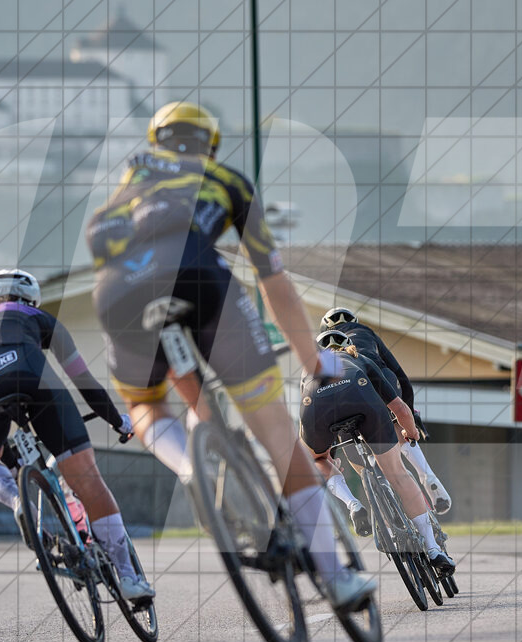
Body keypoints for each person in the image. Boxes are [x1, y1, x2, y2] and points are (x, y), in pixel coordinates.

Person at [84, 101, 376, 610]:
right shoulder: (225, 179)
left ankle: (188, 466)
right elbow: (274, 284)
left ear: (157, 141)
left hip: (114, 295)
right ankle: (335, 578)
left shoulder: (130, 180)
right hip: (200, 280)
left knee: (147, 406)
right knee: (280, 438)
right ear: (209, 145)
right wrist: (312, 361)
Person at [0, 269, 154, 600]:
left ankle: (17, 500)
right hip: (31, 375)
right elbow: (84, 380)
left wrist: (7, 459)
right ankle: (128, 577)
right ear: (30, 299)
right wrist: (117, 421)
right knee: (88, 482)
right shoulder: (39, 317)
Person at [300, 329, 456, 575]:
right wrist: (411, 434)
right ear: (348, 346)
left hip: (317, 407)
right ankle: (433, 549)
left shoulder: (307, 371)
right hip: (362, 400)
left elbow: (317, 438)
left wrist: (327, 460)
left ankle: (352, 504)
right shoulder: (358, 358)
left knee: (316, 459)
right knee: (397, 474)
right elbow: (400, 409)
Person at [320, 307, 452, 513]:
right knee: (396, 422)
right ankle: (426, 475)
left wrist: (330, 452)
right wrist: (411, 418)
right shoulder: (365, 332)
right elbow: (399, 373)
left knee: (349, 438)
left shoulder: (321, 349)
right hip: (378, 376)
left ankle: (377, 495)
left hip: (343, 394)